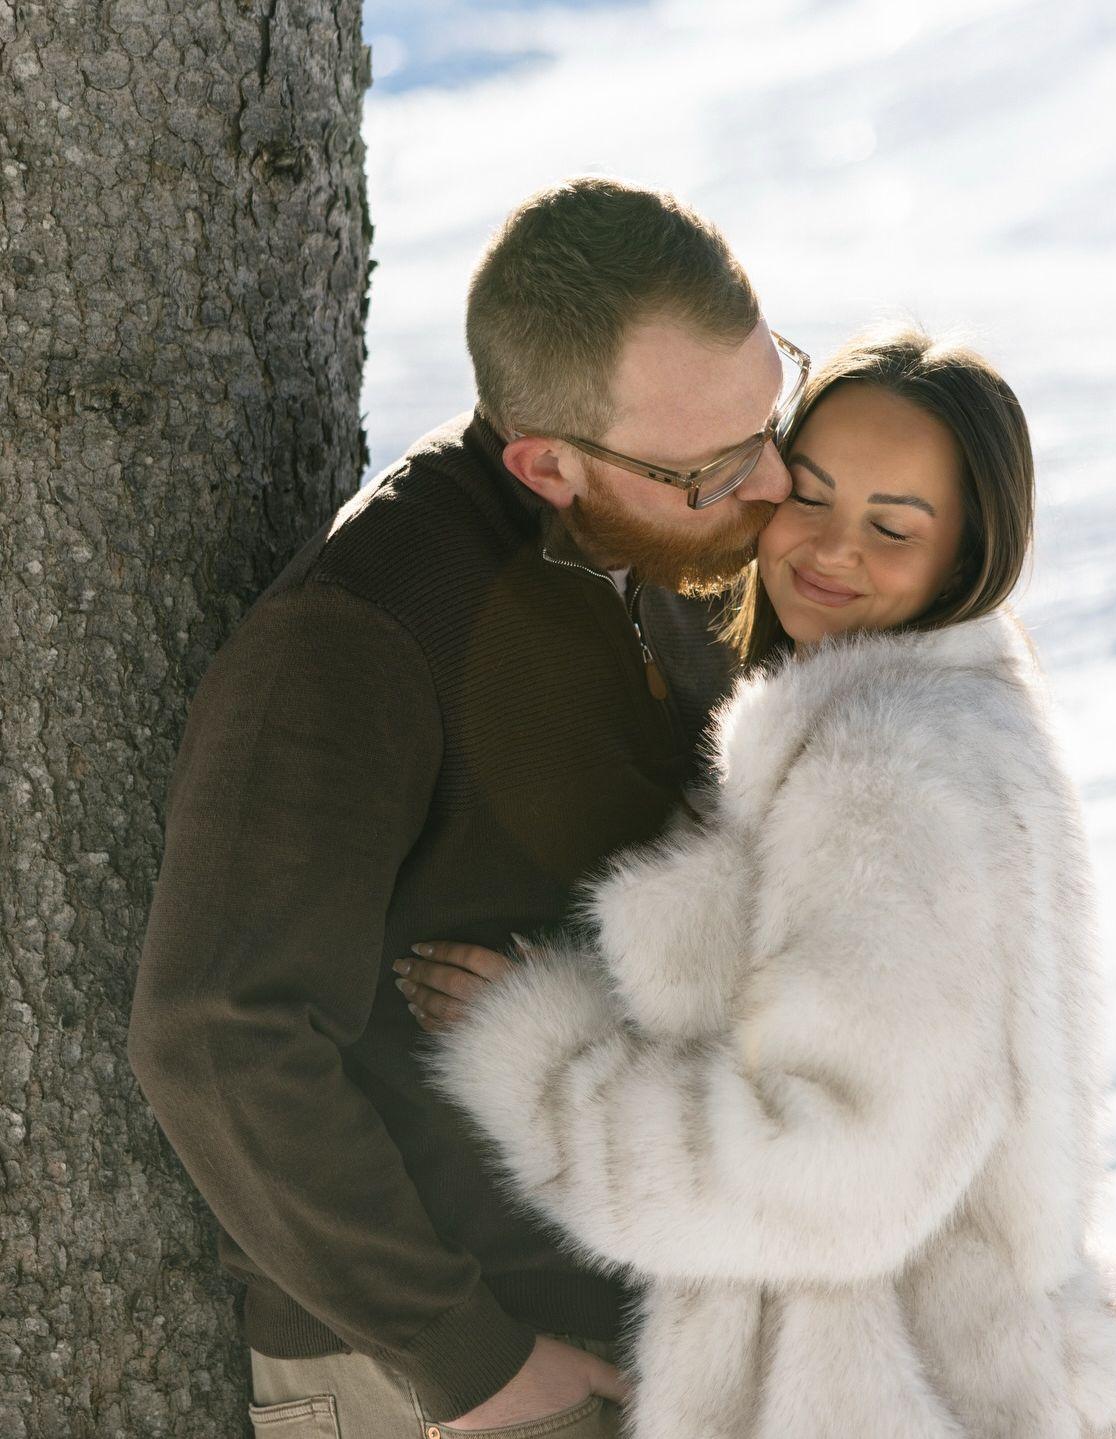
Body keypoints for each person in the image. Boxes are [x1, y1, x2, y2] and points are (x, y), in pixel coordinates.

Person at [413, 327, 1116, 1439]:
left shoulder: (888, 765)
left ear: (967, 554)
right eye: (813, 496)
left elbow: (839, 1170)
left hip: (873, 1387)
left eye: (893, 526)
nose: (832, 548)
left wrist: (543, 1064)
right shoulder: (941, 718)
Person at [126, 177, 811, 1437]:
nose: (773, 479)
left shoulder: (679, 549)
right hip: (452, 1373)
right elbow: (215, 1033)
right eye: (715, 466)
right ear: (548, 463)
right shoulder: (361, 633)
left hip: (660, 1329)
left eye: (771, 413)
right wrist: (471, 1356)